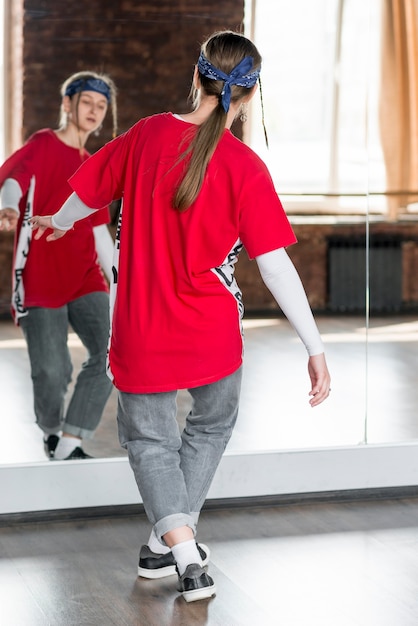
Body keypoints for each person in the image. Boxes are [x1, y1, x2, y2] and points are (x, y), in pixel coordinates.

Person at [29, 31, 331, 602]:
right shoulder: (245, 166)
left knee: (149, 442)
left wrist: (62, 220)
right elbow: (277, 268)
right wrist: (314, 346)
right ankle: (180, 550)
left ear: (196, 78)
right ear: (250, 95)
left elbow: (89, 191)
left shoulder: (145, 136)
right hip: (213, 332)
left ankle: (171, 546)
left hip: (144, 328)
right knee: (210, 427)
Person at [0, 71, 118, 460]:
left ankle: (70, 442)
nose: (94, 111)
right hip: (40, 279)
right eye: (87, 102)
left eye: (101, 106)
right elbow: (15, 178)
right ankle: (51, 430)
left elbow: (101, 234)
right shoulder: (43, 144)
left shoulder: (95, 165)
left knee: (111, 353)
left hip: (85, 278)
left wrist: (122, 281)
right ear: (67, 104)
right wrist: (10, 206)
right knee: (52, 373)